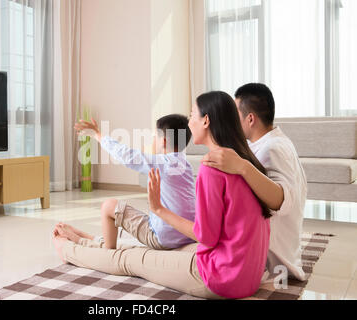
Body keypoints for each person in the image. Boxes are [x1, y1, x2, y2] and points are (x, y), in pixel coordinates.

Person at [52, 91, 270, 299]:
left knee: (128, 258)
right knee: (136, 246)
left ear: (206, 121)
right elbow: (216, 231)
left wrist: (99, 136)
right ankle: (90, 241)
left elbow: (128, 156)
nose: (189, 121)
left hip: (220, 278)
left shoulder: (210, 167)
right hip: (247, 277)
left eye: (192, 114)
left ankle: (69, 250)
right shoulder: (243, 163)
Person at [201, 83, 307, 281]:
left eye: (235, 115)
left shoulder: (272, 148)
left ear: (250, 118)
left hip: (271, 260)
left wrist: (242, 167)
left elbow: (281, 200)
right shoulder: (274, 142)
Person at [73, 114, 196, 250]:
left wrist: (98, 135)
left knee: (109, 206)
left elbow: (126, 155)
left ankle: (108, 254)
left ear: (164, 141)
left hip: (163, 239)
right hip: (187, 233)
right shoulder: (186, 165)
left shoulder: (162, 163)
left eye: (155, 136)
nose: (153, 139)